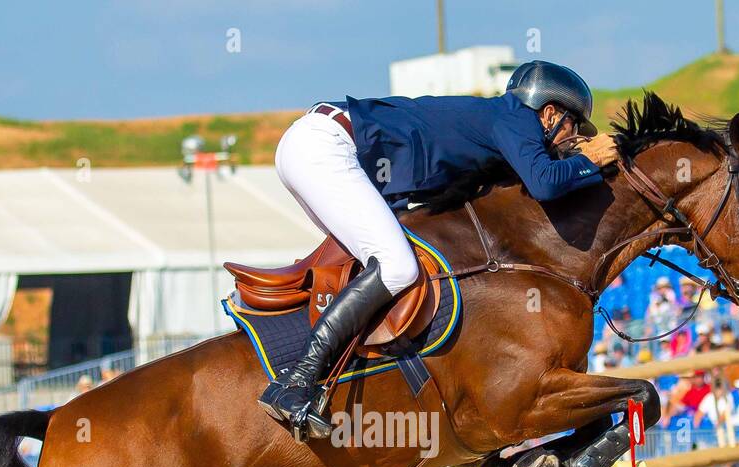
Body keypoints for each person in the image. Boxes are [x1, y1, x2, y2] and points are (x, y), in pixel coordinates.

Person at [257, 60, 618, 440]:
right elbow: (544, 183)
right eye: (573, 127)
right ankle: (296, 382)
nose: (574, 139)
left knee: (379, 268)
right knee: (397, 267)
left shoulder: (499, 128)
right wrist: (590, 160)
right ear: (549, 113)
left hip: (316, 148)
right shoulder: (517, 118)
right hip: (326, 149)